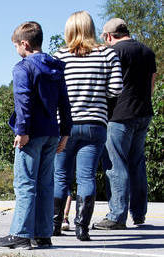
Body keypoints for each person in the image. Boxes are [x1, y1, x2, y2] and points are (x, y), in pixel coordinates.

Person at [0, 21, 72, 249]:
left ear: (24, 44)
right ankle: (43, 234)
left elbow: (23, 100)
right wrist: (65, 132)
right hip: (52, 134)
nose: (16, 50)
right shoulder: (56, 67)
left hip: (32, 134)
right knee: (46, 183)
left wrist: (22, 130)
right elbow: (65, 103)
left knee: (25, 183)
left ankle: (20, 234)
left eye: (16, 45)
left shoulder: (22, 67)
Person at [52, 11, 123, 240]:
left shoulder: (59, 56)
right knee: (86, 177)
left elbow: (52, 93)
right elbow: (116, 90)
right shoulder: (107, 54)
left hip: (65, 125)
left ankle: (54, 225)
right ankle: (82, 228)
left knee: (61, 177)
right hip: (95, 124)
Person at [93, 18, 158, 229]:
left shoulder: (114, 52)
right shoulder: (147, 51)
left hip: (120, 115)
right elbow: (152, 84)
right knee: (137, 163)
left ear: (109, 36)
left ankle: (117, 216)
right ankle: (139, 214)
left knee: (115, 164)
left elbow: (105, 84)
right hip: (143, 113)